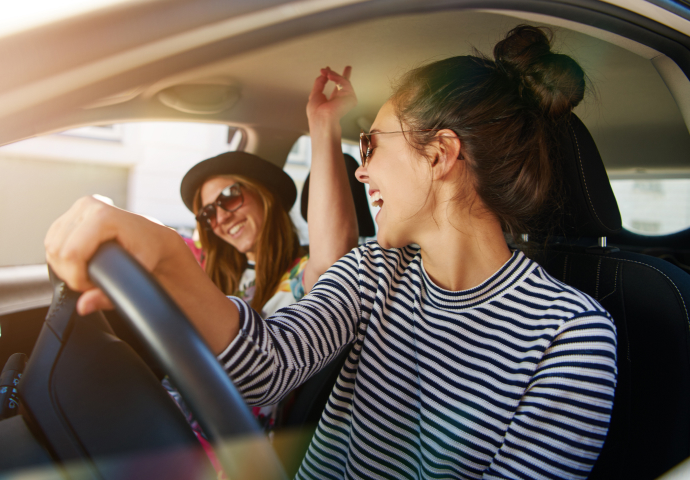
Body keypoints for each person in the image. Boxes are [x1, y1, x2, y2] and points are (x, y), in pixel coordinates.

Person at [45, 25, 617, 479]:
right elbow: (268, 368)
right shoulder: (375, 271)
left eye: (370, 142)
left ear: (440, 154)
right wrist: (168, 256)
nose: (361, 168)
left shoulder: (572, 337)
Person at [164, 67, 360, 435]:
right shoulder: (224, 278)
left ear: (264, 197)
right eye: (207, 213)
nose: (220, 217)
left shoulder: (298, 276)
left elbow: (334, 261)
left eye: (228, 197)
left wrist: (322, 124)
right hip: (171, 423)